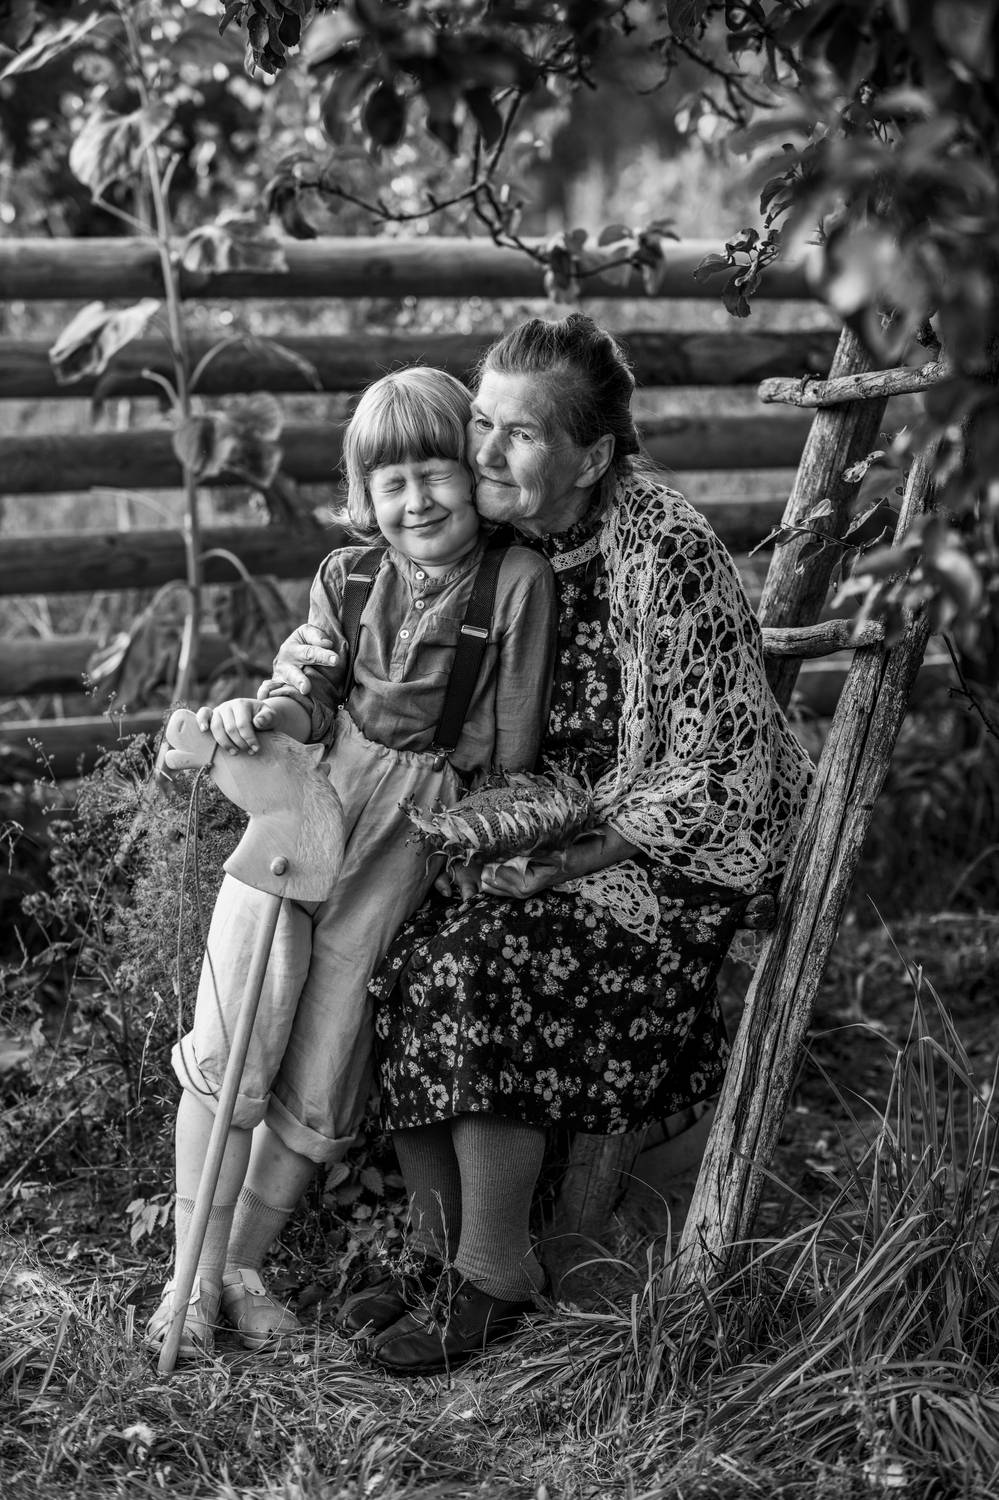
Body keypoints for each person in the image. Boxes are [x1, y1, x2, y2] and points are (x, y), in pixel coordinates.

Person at [264, 313, 814, 1376]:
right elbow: (373, 615)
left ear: (591, 457)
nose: (483, 451)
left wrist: (574, 856)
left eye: (518, 434)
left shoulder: (664, 549)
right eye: (482, 422)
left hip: (668, 866)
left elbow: (719, 772)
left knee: (478, 963)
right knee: (403, 951)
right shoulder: (512, 534)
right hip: (538, 832)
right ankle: (434, 1253)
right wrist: (305, 673)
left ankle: (494, 1273)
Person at [145, 367, 556, 1360]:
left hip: (407, 841)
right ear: (364, 493)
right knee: (233, 1037)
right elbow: (309, 691)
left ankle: (241, 1266)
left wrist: (482, 845)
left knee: (322, 1069)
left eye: (436, 472)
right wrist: (260, 716)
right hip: (303, 810)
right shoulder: (349, 577)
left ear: (474, 469)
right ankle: (187, 1284)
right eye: (391, 482)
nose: (418, 500)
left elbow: (511, 752)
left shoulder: (516, 582)